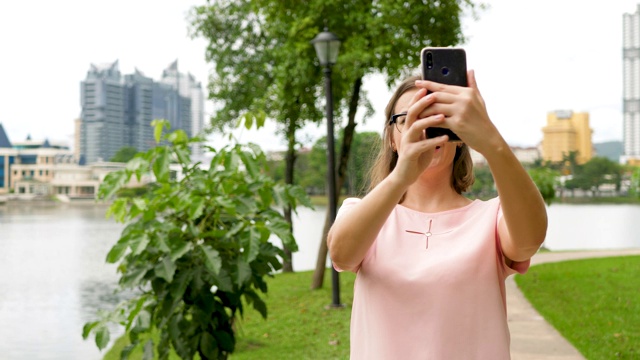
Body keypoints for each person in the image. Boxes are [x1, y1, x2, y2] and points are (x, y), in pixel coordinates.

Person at [326, 70, 548, 359]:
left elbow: (529, 240)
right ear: (392, 139)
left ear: (459, 137)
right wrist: (399, 178)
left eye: (438, 117)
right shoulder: (363, 214)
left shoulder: (491, 219)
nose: (425, 127)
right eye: (409, 119)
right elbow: (341, 255)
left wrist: (492, 141)